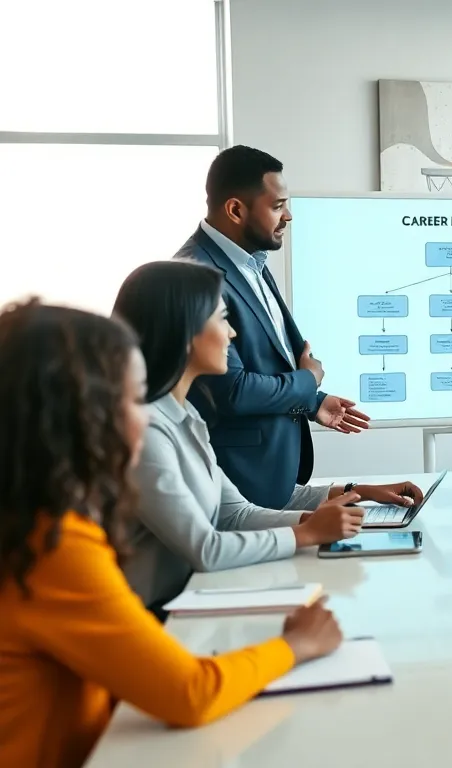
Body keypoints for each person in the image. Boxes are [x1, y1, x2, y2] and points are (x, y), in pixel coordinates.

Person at [0, 299, 344, 768]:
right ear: (81, 412)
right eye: (131, 396)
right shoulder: (53, 548)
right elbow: (190, 693)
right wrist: (296, 645)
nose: (143, 416)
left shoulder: (36, 523)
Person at [112, 261, 425, 613]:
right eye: (222, 319)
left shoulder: (186, 415)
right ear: (184, 332)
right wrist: (306, 533)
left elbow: (236, 515)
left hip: (196, 602)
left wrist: (337, 507)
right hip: (158, 618)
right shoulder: (145, 431)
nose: (232, 335)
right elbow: (206, 548)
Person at [174, 145, 367, 508]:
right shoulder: (195, 276)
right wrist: (309, 381)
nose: (289, 215)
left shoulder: (254, 263)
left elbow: (264, 363)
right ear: (235, 209)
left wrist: (313, 401)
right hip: (236, 483)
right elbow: (232, 390)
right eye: (278, 206)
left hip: (272, 480)